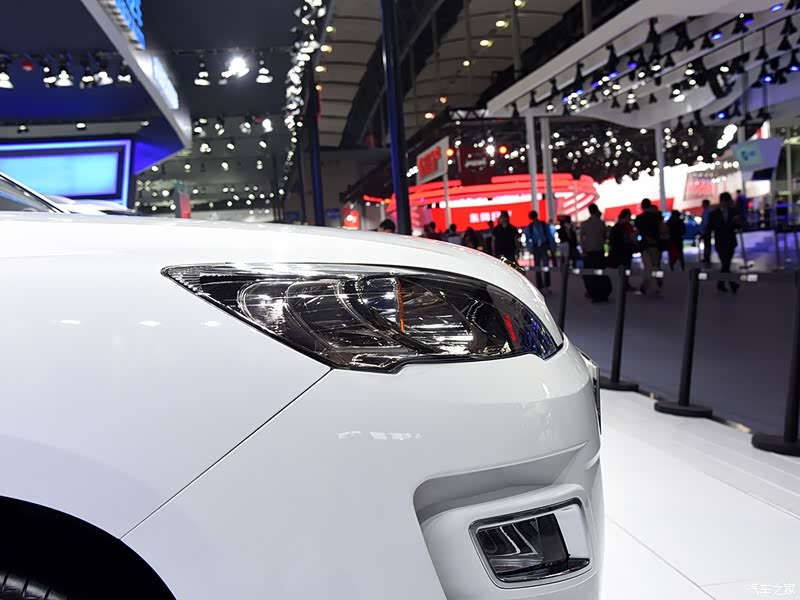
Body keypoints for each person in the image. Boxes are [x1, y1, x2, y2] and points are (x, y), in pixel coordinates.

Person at [709, 191, 740, 293]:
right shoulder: (714, 214)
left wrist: (737, 222)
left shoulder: (733, 212)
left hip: (731, 241)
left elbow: (738, 226)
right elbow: (710, 227)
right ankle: (731, 283)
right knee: (725, 262)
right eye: (726, 202)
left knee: (726, 264)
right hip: (720, 242)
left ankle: (721, 283)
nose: (727, 204)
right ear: (721, 201)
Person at [580, 203, 612, 302]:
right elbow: (605, 237)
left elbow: (581, 238)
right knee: (601, 273)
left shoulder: (585, 224)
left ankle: (593, 293)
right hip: (599, 251)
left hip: (589, 252)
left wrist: (584, 249)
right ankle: (604, 293)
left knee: (590, 274)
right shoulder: (601, 223)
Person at [635, 198, 663, 295]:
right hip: (656, 245)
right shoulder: (657, 217)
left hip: (645, 245)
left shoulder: (639, 218)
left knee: (648, 266)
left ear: (642, 207)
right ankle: (650, 284)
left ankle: (648, 285)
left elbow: (637, 232)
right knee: (654, 265)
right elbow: (662, 229)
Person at [525, 210, 555, 292]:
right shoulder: (532, 227)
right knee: (538, 267)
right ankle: (542, 287)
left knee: (544, 266)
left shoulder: (541, 225)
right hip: (537, 247)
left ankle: (546, 286)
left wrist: (552, 247)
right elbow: (549, 236)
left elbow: (549, 236)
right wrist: (530, 248)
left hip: (542, 246)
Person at [700, 199, 713, 265]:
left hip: (707, 230)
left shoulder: (709, 211)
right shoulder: (704, 211)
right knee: (706, 244)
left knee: (707, 244)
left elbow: (707, 221)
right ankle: (706, 257)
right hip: (705, 230)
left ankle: (707, 257)